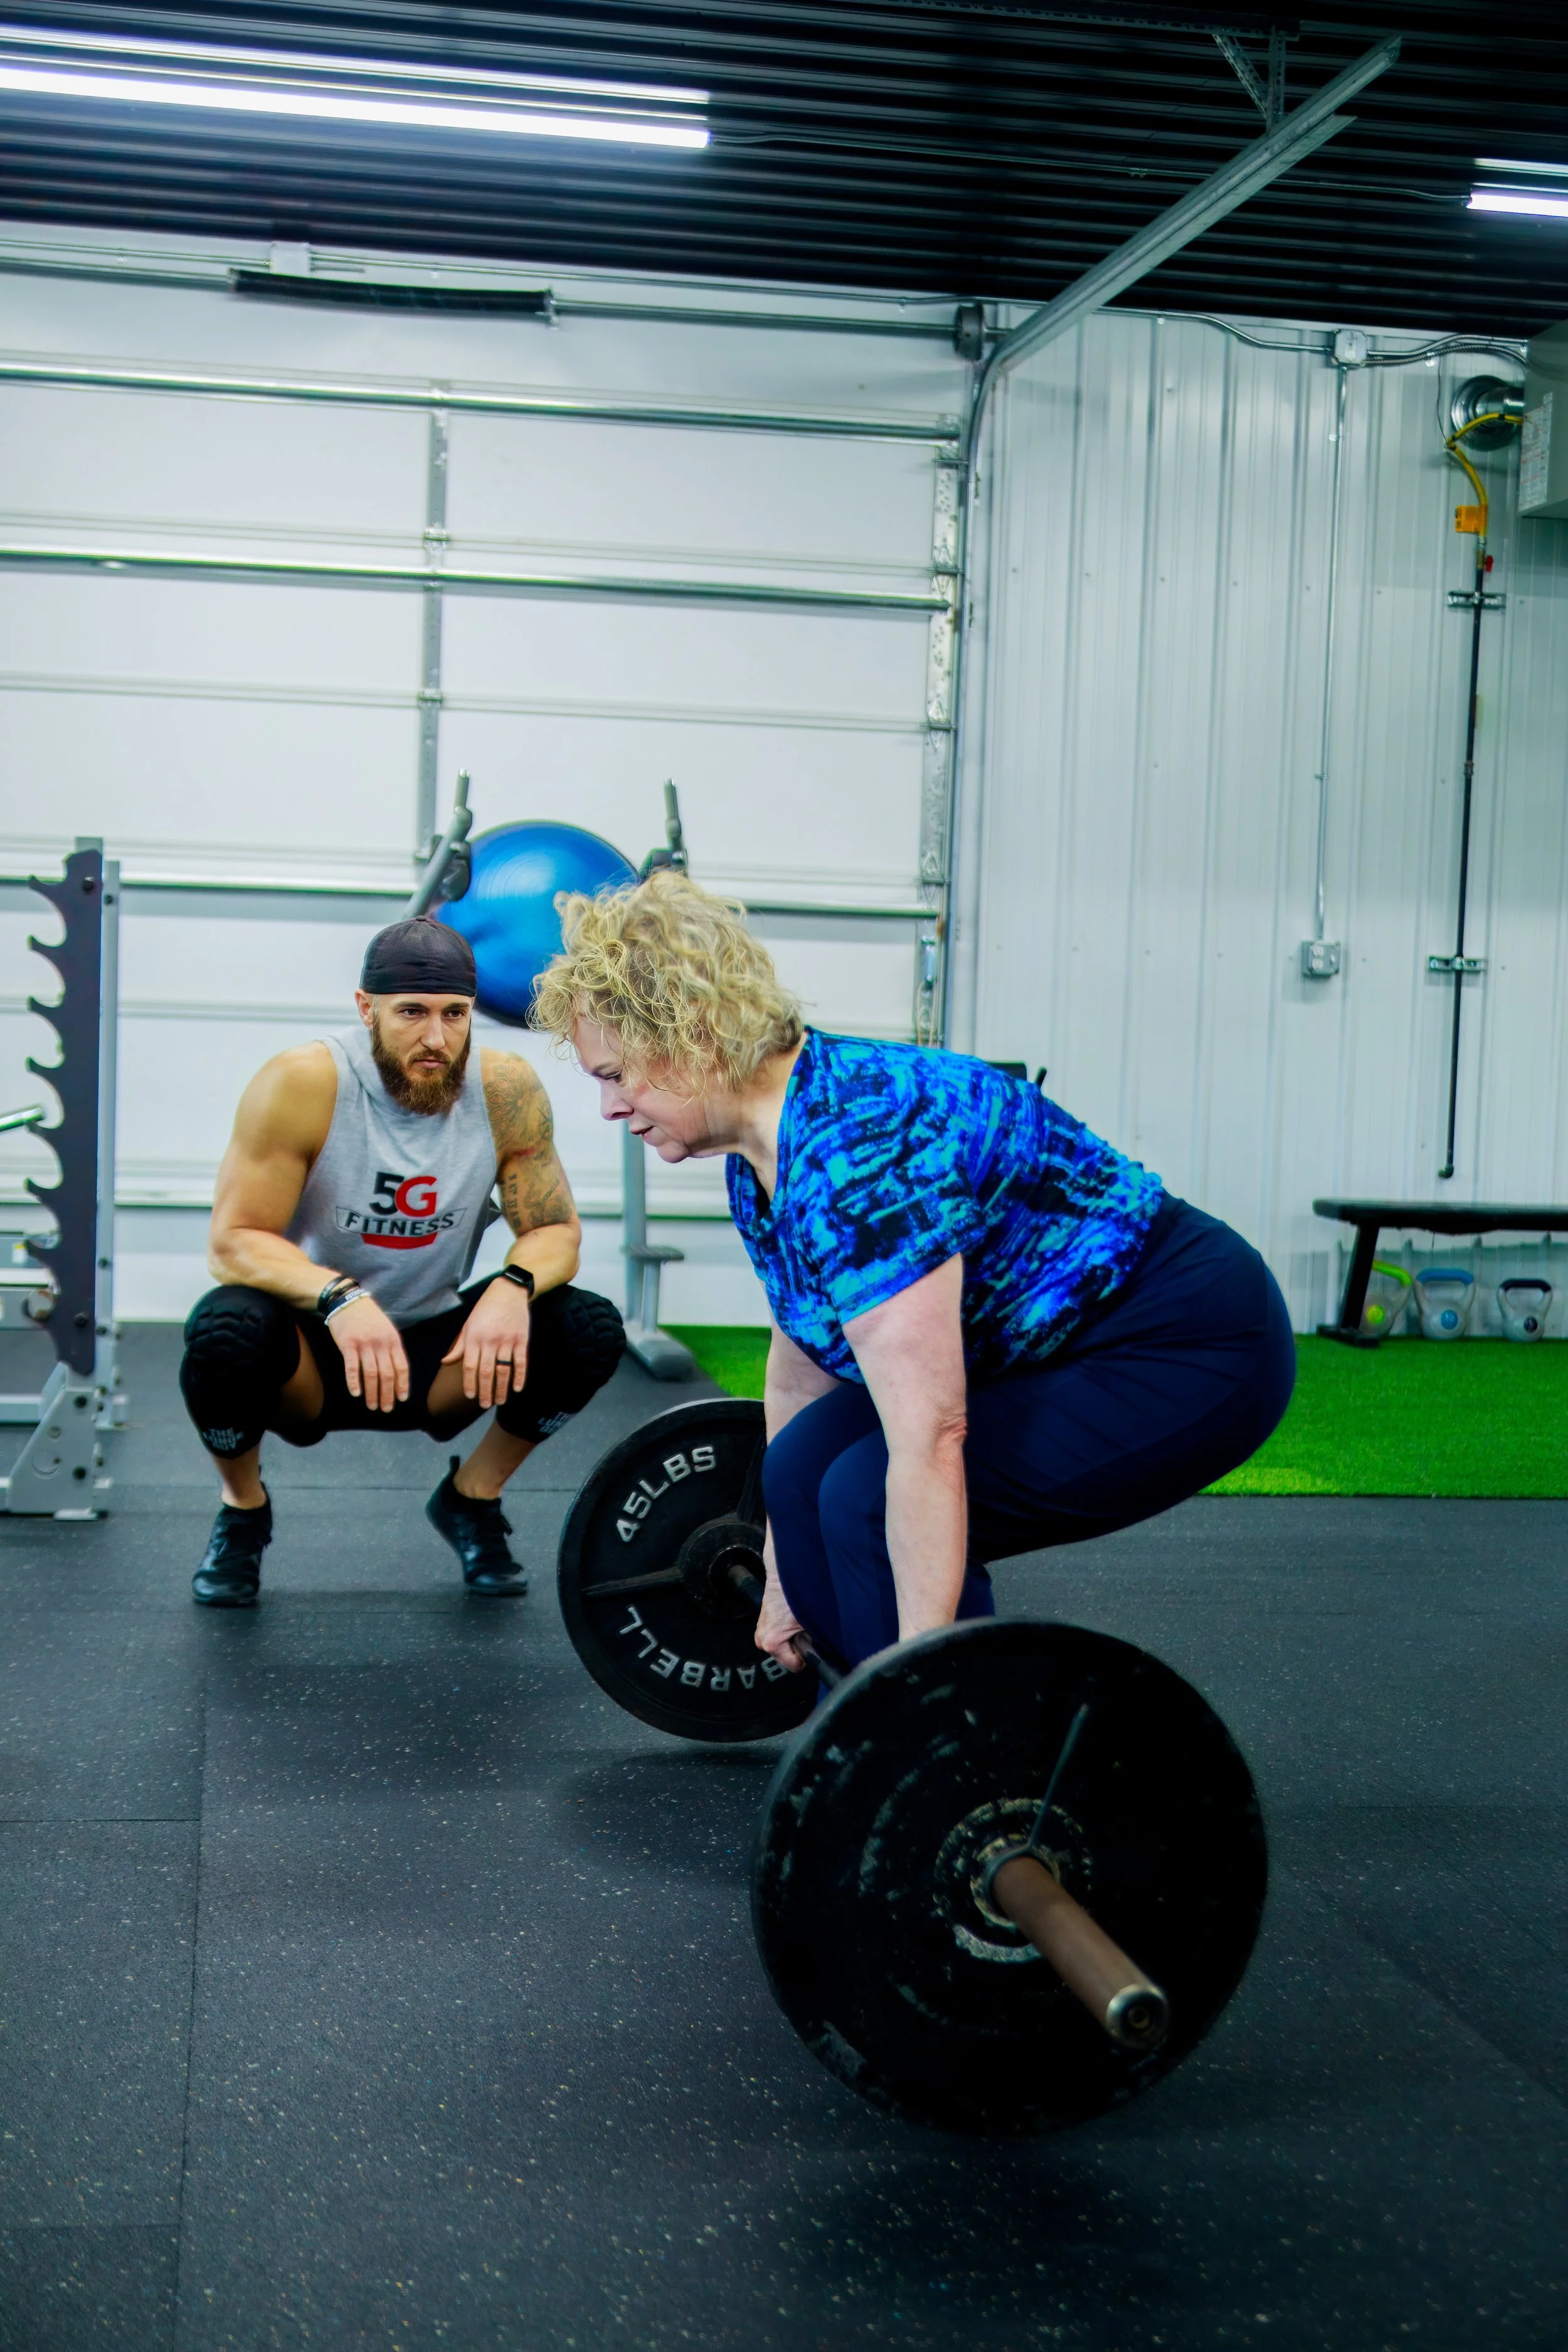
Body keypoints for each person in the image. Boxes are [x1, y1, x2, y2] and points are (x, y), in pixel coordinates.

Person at [533, 872, 1295, 1676]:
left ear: (693, 1036)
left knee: (861, 1497)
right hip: (1057, 1337)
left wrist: (921, 1690)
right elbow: (799, 1369)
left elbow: (933, 1436)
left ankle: (947, 1754)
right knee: (795, 1471)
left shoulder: (860, 1153)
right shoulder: (761, 1150)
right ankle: (861, 1747)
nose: (610, 1109)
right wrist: (783, 1577)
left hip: (1188, 1344)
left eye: (616, 1075)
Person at [180, 916, 623, 1606]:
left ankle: (472, 1498)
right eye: (411, 1013)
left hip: (437, 1355)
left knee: (586, 1327)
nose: (437, 1038)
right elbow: (234, 1240)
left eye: (456, 1014)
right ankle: (243, 1511)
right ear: (366, 1009)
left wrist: (511, 1284)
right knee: (225, 1330)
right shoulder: (303, 1082)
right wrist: (339, 1299)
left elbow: (556, 1231)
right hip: (316, 1355)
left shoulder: (506, 1090)